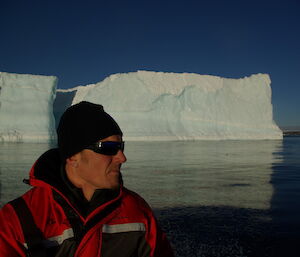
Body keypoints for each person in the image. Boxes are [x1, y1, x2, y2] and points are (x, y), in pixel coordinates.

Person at [0, 101, 174, 257]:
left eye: (121, 146)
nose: (122, 157)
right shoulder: (16, 220)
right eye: (109, 147)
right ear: (72, 157)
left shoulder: (136, 209)